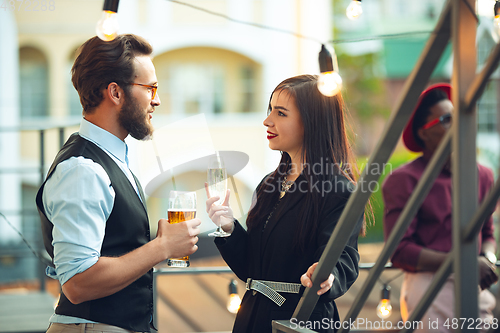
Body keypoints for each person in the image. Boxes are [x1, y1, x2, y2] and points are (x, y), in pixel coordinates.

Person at [35, 34, 201, 333]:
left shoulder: (109, 160)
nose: (157, 99)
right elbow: (78, 282)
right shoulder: (82, 170)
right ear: (115, 92)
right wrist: (162, 246)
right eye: (150, 88)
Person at [205, 74, 365, 333]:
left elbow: (344, 257)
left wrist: (326, 276)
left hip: (300, 320)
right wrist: (228, 227)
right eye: (270, 111)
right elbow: (251, 269)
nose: (267, 121)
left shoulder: (338, 189)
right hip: (252, 319)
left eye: (281, 113)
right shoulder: (268, 184)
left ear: (312, 122)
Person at [382, 83, 498, 331]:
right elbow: (400, 250)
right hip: (429, 286)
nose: (457, 123)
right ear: (423, 133)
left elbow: (487, 233)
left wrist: (486, 259)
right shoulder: (405, 180)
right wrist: (465, 262)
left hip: (475, 281)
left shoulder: (483, 175)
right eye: (447, 119)